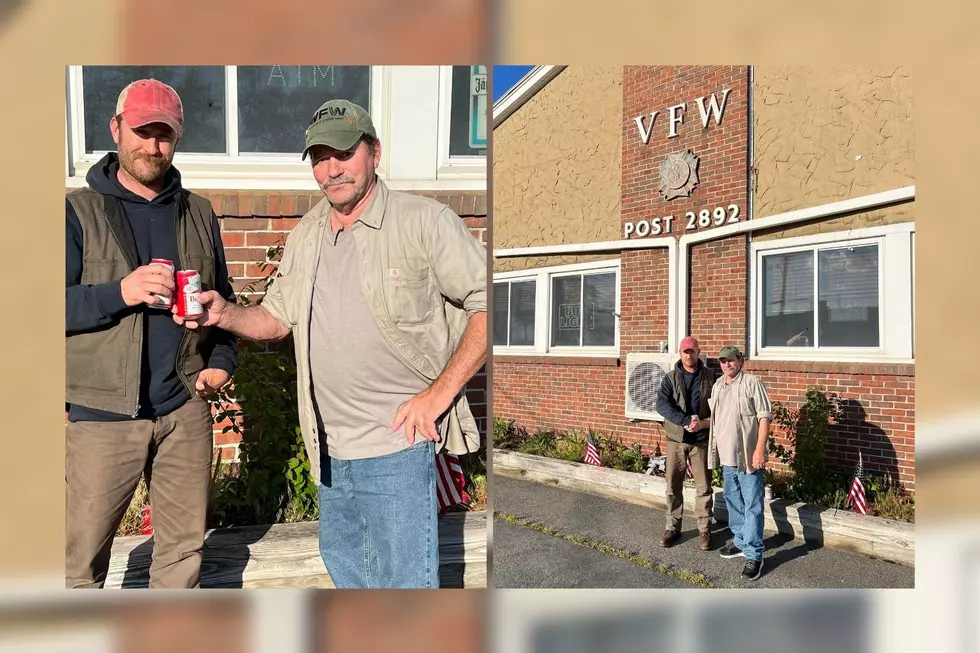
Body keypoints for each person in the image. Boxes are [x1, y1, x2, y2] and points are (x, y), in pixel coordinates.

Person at [172, 99, 487, 589]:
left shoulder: (425, 222)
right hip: (329, 454)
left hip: (397, 449)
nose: (331, 169)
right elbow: (278, 319)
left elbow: (489, 303)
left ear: (374, 153)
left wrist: (438, 395)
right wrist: (224, 314)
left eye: (343, 153)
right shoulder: (308, 233)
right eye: (319, 157)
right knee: (352, 587)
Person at [65, 79, 238, 588]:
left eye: (164, 135)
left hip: (183, 409)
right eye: (142, 132)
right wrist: (121, 291)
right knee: (79, 564)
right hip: (102, 418)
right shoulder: (77, 212)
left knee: (182, 559)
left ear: (178, 138)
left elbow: (220, 303)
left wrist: (222, 363)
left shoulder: (198, 212)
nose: (152, 146)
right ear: (116, 128)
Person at [707, 345, 772, 581]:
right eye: (723, 361)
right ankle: (741, 540)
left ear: (740, 361)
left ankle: (755, 554)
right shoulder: (718, 385)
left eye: (731, 360)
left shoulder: (752, 383)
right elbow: (717, 421)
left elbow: (764, 418)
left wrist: (759, 450)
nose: (726, 364)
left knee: (752, 505)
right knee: (734, 503)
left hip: (748, 458)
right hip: (726, 459)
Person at [655, 336, 716, 551]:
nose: (688, 355)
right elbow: (661, 405)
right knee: (673, 486)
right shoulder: (670, 378)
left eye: (692, 351)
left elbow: (717, 406)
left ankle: (704, 529)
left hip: (701, 440)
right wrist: (684, 420)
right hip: (676, 440)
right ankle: (673, 527)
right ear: (680, 354)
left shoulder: (710, 376)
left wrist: (702, 424)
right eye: (685, 352)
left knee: (704, 488)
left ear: (698, 351)